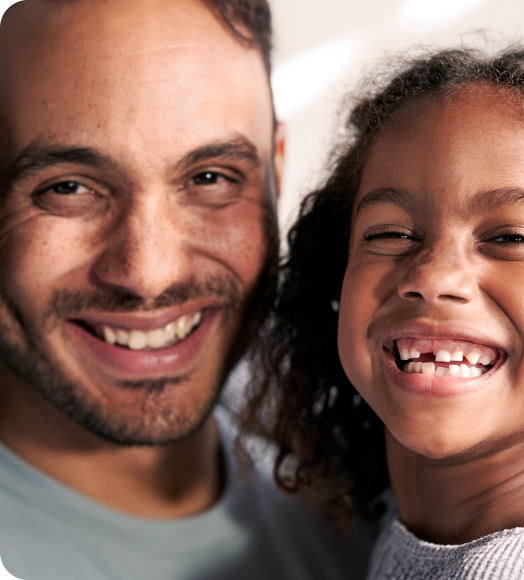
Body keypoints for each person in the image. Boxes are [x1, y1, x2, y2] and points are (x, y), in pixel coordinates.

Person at [0, 1, 376, 579]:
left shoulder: (370, 526)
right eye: (69, 187)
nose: (150, 275)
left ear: (277, 172)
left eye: (210, 178)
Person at [244, 44, 524, 579]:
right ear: (337, 273)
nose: (432, 278)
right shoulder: (408, 512)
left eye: (512, 237)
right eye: (392, 233)